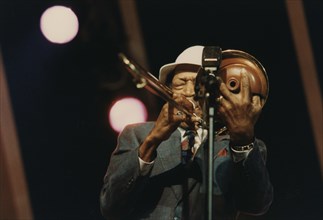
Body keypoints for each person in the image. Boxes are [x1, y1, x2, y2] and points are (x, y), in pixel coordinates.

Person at [100, 45, 273, 220]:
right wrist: (152, 141)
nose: (190, 92)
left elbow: (256, 204)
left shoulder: (243, 145)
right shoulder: (137, 134)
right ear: (170, 88)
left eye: (199, 85)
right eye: (181, 83)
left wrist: (242, 139)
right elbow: (110, 207)